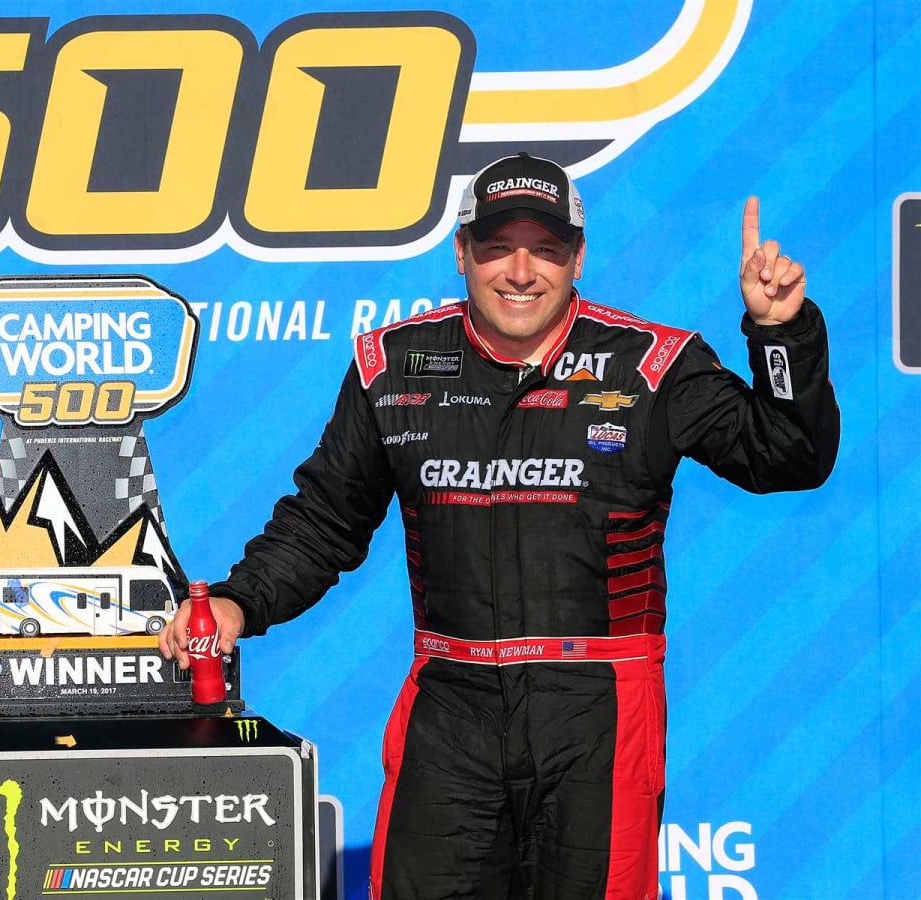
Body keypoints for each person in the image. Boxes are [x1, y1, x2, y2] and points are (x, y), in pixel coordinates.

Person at [159, 152, 840, 899]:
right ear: (461, 253)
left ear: (577, 257)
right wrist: (239, 600)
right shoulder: (394, 367)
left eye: (545, 249)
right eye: (497, 248)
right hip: (451, 708)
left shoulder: (651, 364)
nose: (520, 272)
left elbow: (789, 456)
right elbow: (325, 519)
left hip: (600, 709)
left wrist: (783, 335)